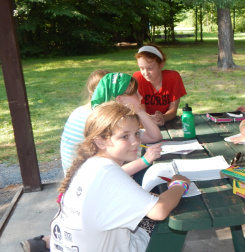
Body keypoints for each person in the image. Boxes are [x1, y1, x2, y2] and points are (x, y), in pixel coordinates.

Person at [20, 71, 163, 252]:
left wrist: (139, 110)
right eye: (135, 93)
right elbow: (114, 177)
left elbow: (154, 136)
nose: (141, 96)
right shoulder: (104, 125)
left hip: (77, 196)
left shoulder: (97, 118)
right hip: (89, 196)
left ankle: (46, 243)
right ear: (119, 99)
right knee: (150, 214)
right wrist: (145, 160)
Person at [50, 102, 190, 252]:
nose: (136, 141)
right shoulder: (108, 171)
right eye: (124, 136)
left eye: (137, 133)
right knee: (166, 221)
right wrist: (179, 185)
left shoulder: (89, 164)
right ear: (100, 141)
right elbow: (159, 211)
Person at [133, 44, 187, 126]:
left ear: (161, 65)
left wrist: (163, 117)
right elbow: (140, 110)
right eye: (142, 68)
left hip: (167, 122)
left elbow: (173, 110)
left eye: (150, 68)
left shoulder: (173, 77)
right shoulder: (138, 78)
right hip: (144, 122)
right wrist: (150, 119)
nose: (146, 73)